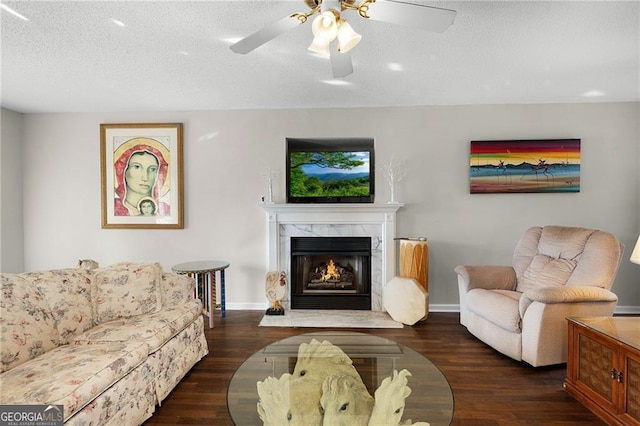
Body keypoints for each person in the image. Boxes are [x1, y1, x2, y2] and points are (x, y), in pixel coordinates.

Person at [113, 141, 170, 216]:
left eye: (152, 169)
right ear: (123, 170)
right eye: (137, 167)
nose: (145, 177)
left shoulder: (165, 210)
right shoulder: (114, 209)